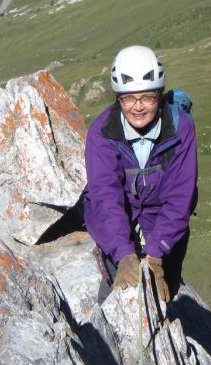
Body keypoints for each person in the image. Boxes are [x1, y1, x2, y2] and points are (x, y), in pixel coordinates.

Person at [84, 45, 198, 302]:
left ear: (159, 95)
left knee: (164, 296)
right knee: (119, 300)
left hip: (166, 232)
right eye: (128, 98)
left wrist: (157, 253)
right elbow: (105, 194)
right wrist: (123, 252)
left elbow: (181, 195)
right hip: (120, 225)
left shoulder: (181, 129)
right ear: (118, 99)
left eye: (147, 97)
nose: (137, 107)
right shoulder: (102, 133)